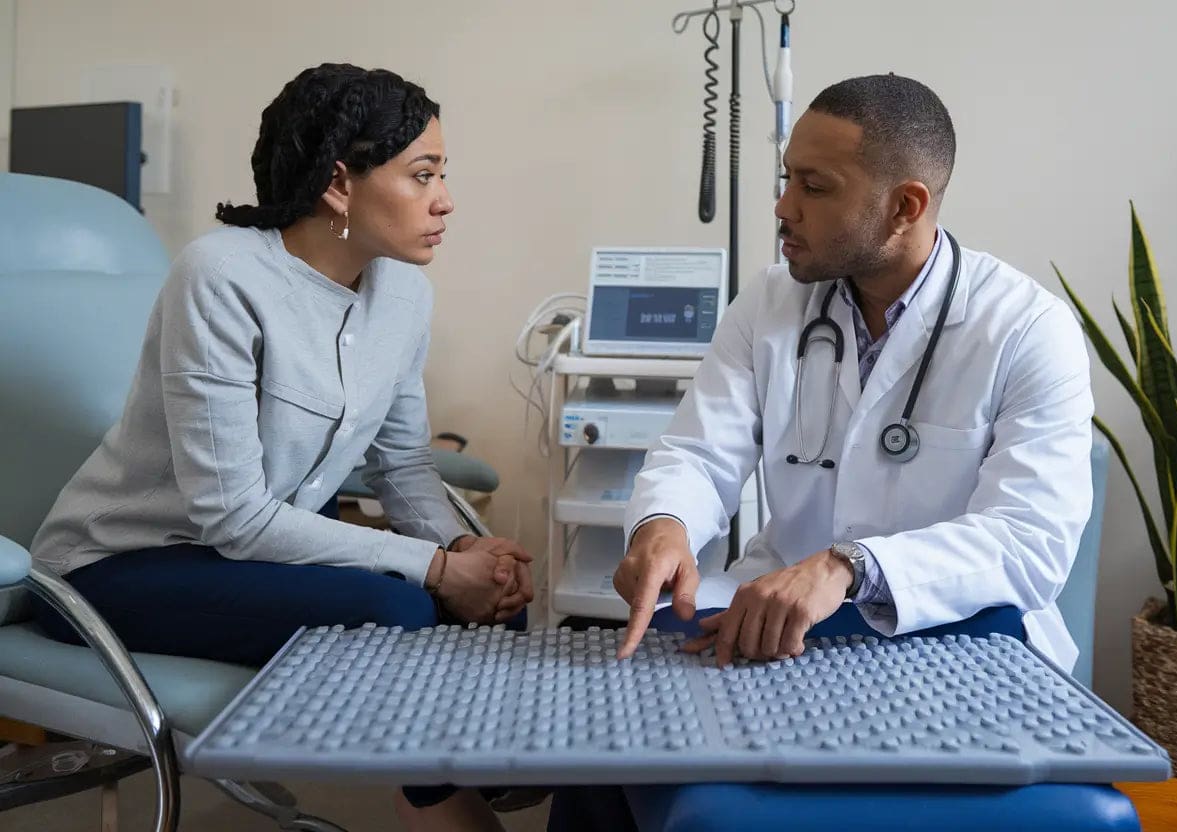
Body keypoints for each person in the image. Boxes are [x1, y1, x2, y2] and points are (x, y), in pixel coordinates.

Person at [31, 63, 530, 832]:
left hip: (252, 556)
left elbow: (402, 465)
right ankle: (454, 790)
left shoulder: (404, 294)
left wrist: (467, 546)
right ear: (340, 184)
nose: (445, 199)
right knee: (395, 608)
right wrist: (434, 566)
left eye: (442, 173)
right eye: (422, 173)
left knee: (493, 601)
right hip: (122, 564)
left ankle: (453, 780)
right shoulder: (221, 277)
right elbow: (231, 516)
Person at [613, 73, 1094, 673]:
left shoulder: (1027, 328)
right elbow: (698, 455)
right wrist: (664, 525)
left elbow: (1030, 542)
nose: (784, 208)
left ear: (904, 207)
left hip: (957, 630)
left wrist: (850, 565)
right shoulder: (769, 302)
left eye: (813, 187)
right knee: (656, 659)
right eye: (788, 178)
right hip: (778, 618)